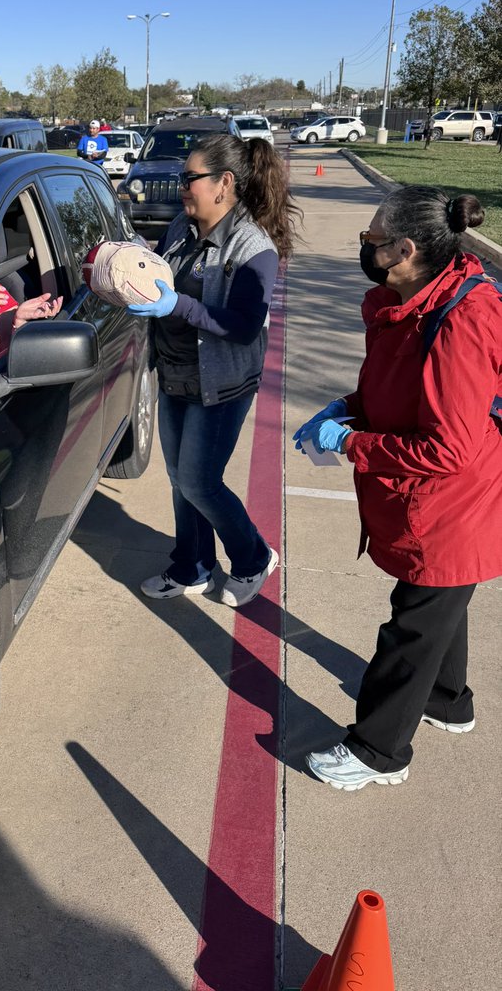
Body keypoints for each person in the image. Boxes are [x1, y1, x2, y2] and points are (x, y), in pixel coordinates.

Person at [295, 187, 502, 791]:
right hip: (445, 501)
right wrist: (352, 408)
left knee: (412, 627)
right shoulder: (413, 299)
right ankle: (447, 699)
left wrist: (349, 443)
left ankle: (378, 750)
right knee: (439, 601)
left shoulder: (460, 320)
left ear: (405, 250)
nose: (364, 248)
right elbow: (405, 390)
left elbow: (447, 448)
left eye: (371, 241)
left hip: (451, 504)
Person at [128, 134, 300, 605]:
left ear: (224, 183)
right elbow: (160, 274)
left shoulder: (253, 249)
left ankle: (252, 558)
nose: (182, 186)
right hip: (175, 373)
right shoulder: (183, 228)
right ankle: (193, 566)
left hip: (220, 384)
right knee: (181, 481)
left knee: (200, 482)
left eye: (190, 179)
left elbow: (244, 327)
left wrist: (178, 304)